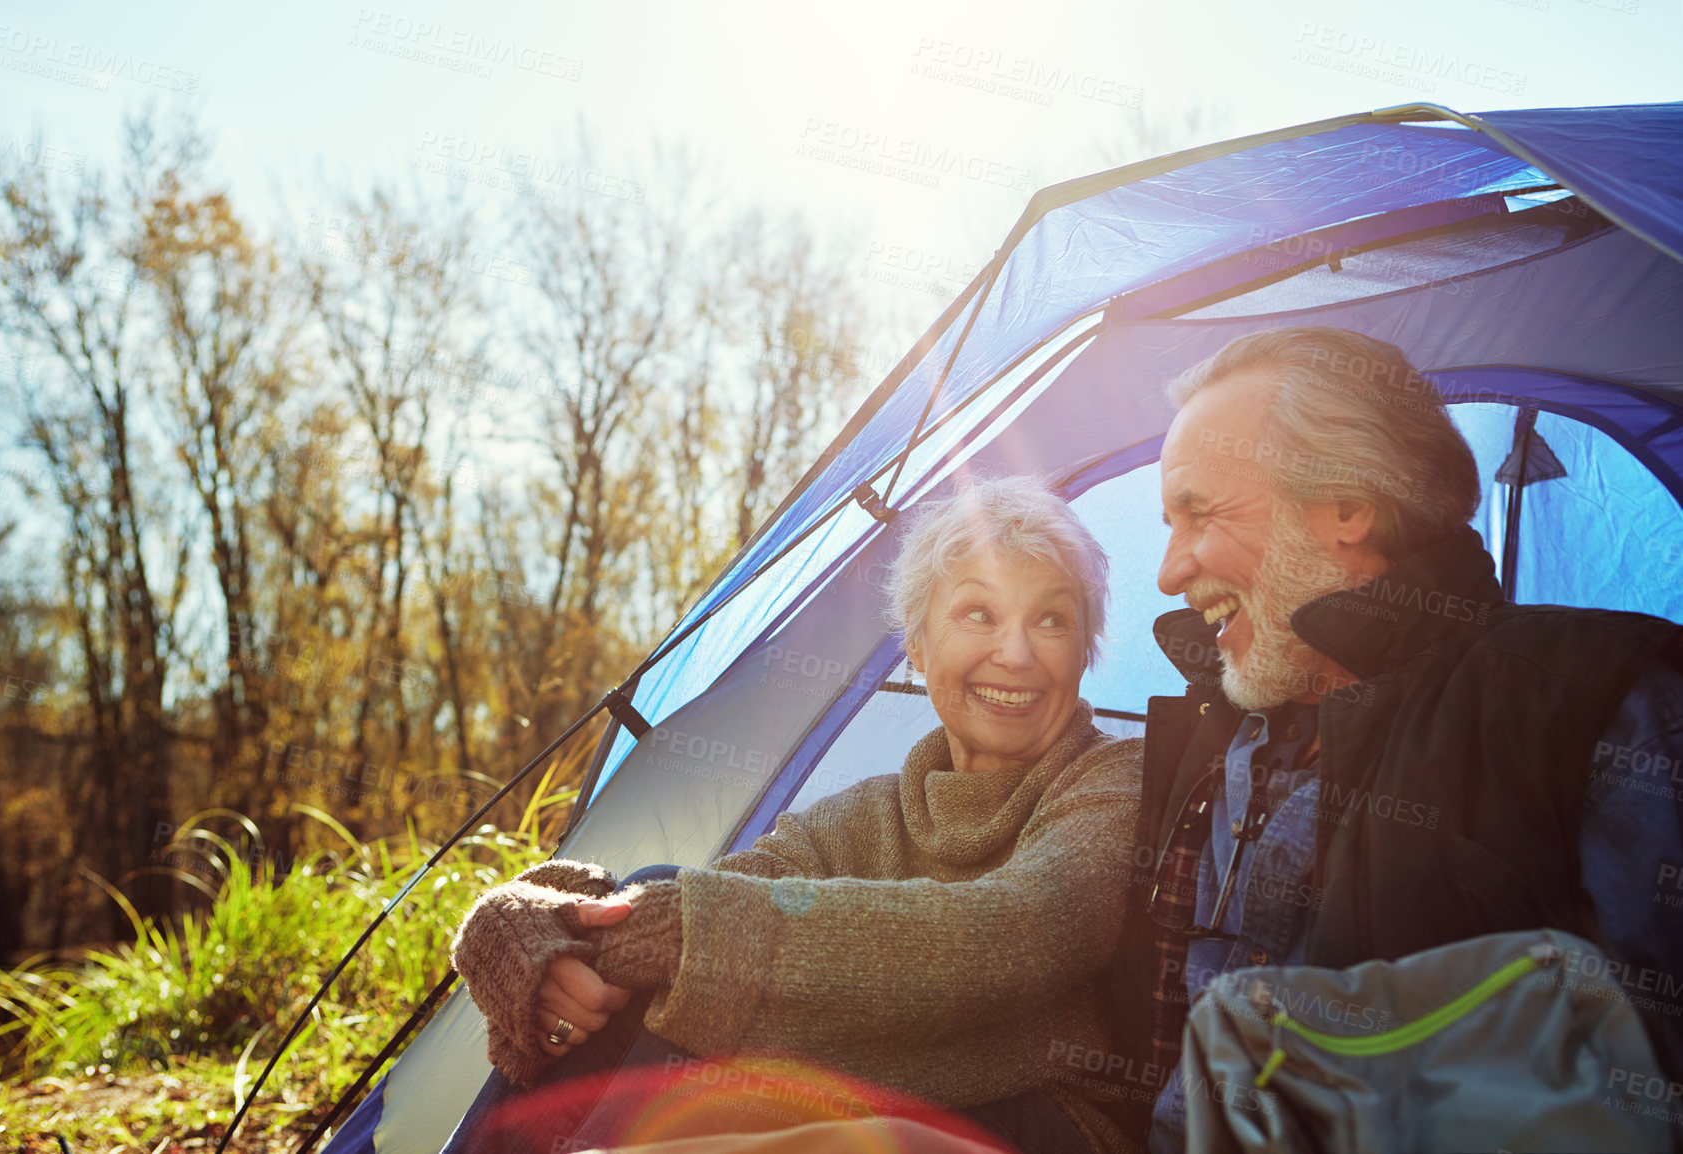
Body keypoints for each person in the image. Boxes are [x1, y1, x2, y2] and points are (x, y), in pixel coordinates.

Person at [1097, 327, 1683, 1151]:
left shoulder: (1586, 704)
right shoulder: (1218, 724)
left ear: (1347, 506)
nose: (1167, 571)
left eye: (1199, 513)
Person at [446, 475, 1146, 1154]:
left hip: (1036, 1125)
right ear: (917, 644)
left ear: (1085, 650)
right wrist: (531, 926)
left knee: (681, 939)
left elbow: (1021, 930)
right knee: (650, 952)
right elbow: (699, 909)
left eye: (1053, 619)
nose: (1017, 653)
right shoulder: (861, 818)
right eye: (979, 614)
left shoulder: (1114, 780)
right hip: (861, 1100)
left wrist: (671, 932)